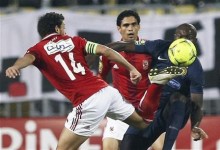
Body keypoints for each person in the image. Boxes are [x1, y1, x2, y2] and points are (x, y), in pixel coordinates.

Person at [5, 12, 152, 150]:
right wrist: (132, 68)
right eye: (64, 28)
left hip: (88, 101)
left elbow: (27, 59)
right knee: (142, 124)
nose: (65, 31)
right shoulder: (74, 40)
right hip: (108, 92)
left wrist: (16, 66)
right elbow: (106, 51)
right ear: (57, 28)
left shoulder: (37, 49)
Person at [107, 23, 208, 150]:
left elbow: (197, 104)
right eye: (181, 37)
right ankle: (159, 83)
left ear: (195, 41)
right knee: (128, 146)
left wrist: (195, 126)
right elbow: (126, 46)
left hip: (174, 113)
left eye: (189, 38)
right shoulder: (160, 46)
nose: (184, 41)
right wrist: (96, 50)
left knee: (178, 98)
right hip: (152, 109)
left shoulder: (195, 68)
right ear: (175, 37)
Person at [98, 10, 165, 150]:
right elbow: (100, 79)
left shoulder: (150, 49)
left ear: (139, 27)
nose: (130, 29)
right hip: (120, 110)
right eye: (126, 25)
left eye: (134, 25)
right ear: (119, 28)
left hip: (146, 111)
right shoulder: (109, 52)